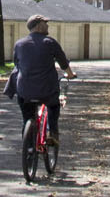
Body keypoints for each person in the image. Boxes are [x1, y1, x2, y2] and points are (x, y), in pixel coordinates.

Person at [12, 15, 76, 144]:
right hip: (46, 90)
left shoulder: (19, 44)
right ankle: (52, 133)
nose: (48, 25)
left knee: (27, 118)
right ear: (38, 26)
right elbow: (63, 63)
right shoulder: (50, 42)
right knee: (53, 106)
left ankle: (28, 146)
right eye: (45, 23)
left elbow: (17, 64)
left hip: (24, 90)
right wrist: (70, 74)